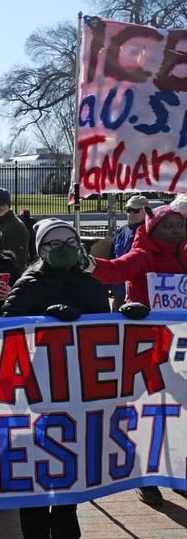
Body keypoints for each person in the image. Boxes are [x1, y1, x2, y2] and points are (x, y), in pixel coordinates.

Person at [1, 219, 112, 539]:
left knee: (71, 472)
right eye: (53, 243)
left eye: (68, 240)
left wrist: (129, 320)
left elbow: (107, 335)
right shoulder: (28, 286)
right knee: (38, 472)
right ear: (40, 251)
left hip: (80, 394)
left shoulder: (91, 286)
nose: (62, 247)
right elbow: (6, 333)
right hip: (37, 394)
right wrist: (43, 320)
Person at [85, 204, 185, 507]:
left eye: (179, 225)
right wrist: (87, 264)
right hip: (145, 345)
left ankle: (176, 469)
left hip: (179, 347)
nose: (176, 231)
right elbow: (116, 270)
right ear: (152, 229)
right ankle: (145, 477)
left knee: (178, 411)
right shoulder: (142, 254)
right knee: (146, 411)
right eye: (168, 226)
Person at [105, 194, 151, 310]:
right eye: (128, 210)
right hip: (119, 289)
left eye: (135, 210)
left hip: (140, 290)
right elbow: (113, 257)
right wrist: (111, 284)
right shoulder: (122, 230)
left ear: (146, 211)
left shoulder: (151, 231)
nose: (130, 214)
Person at [0, 188, 29, 270]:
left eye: (1, 203)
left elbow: (18, 262)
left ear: (8, 205)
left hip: (7, 278)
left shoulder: (16, 227)